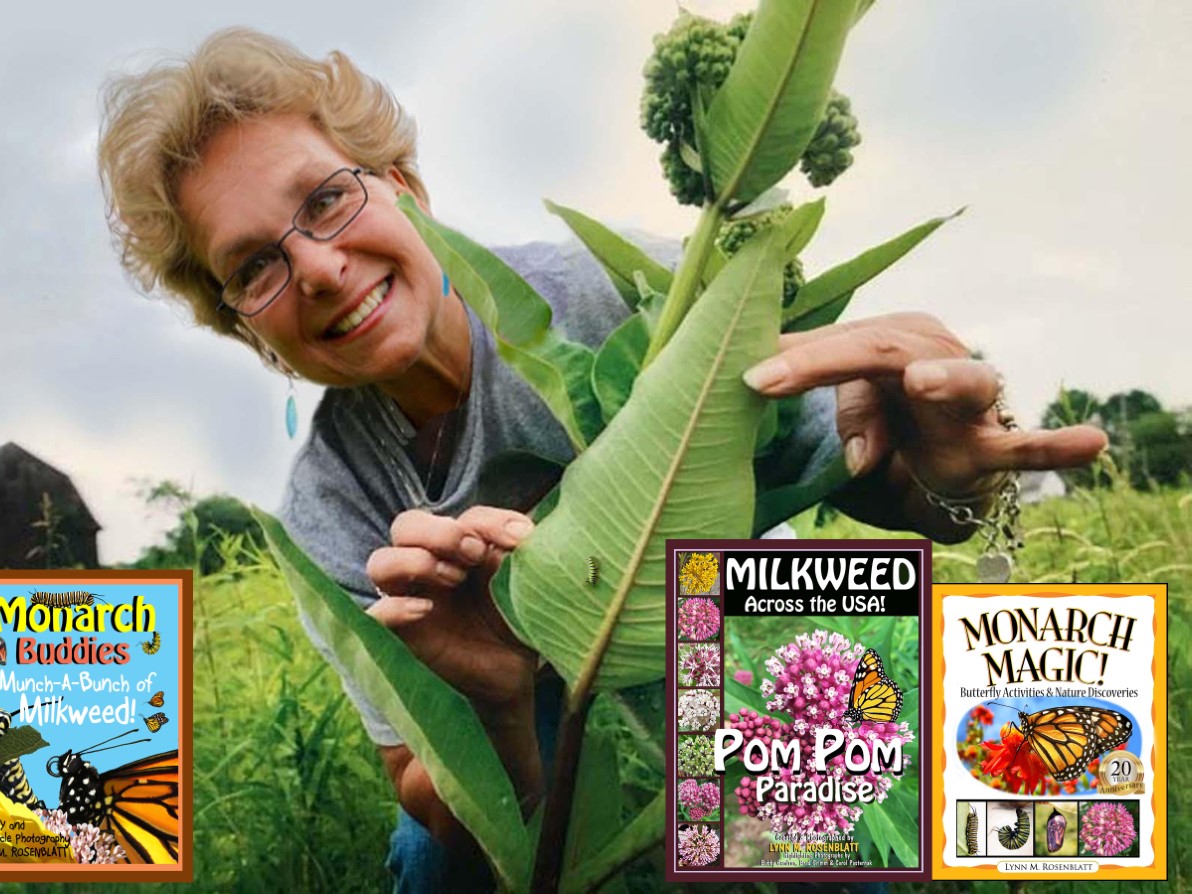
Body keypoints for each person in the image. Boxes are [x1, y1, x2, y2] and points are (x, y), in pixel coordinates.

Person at [97, 28, 1106, 890]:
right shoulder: (332, 502)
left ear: (403, 187)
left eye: (325, 200)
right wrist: (494, 703)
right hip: (540, 740)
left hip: (750, 656)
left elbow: (878, 477)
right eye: (253, 267)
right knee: (425, 856)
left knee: (874, 799)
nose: (316, 268)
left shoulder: (621, 297)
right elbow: (417, 773)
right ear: (249, 331)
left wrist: (951, 475)